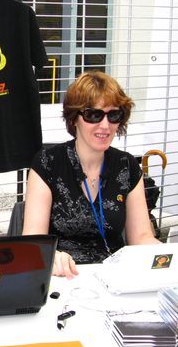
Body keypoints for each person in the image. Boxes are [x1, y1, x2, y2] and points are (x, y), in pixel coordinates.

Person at [22, 71, 160, 278]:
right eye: (94, 115)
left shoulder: (127, 165)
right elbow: (33, 240)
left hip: (114, 276)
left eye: (113, 115)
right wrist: (51, 255)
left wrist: (176, 258)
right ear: (74, 118)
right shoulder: (47, 163)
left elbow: (141, 237)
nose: (105, 125)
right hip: (63, 276)